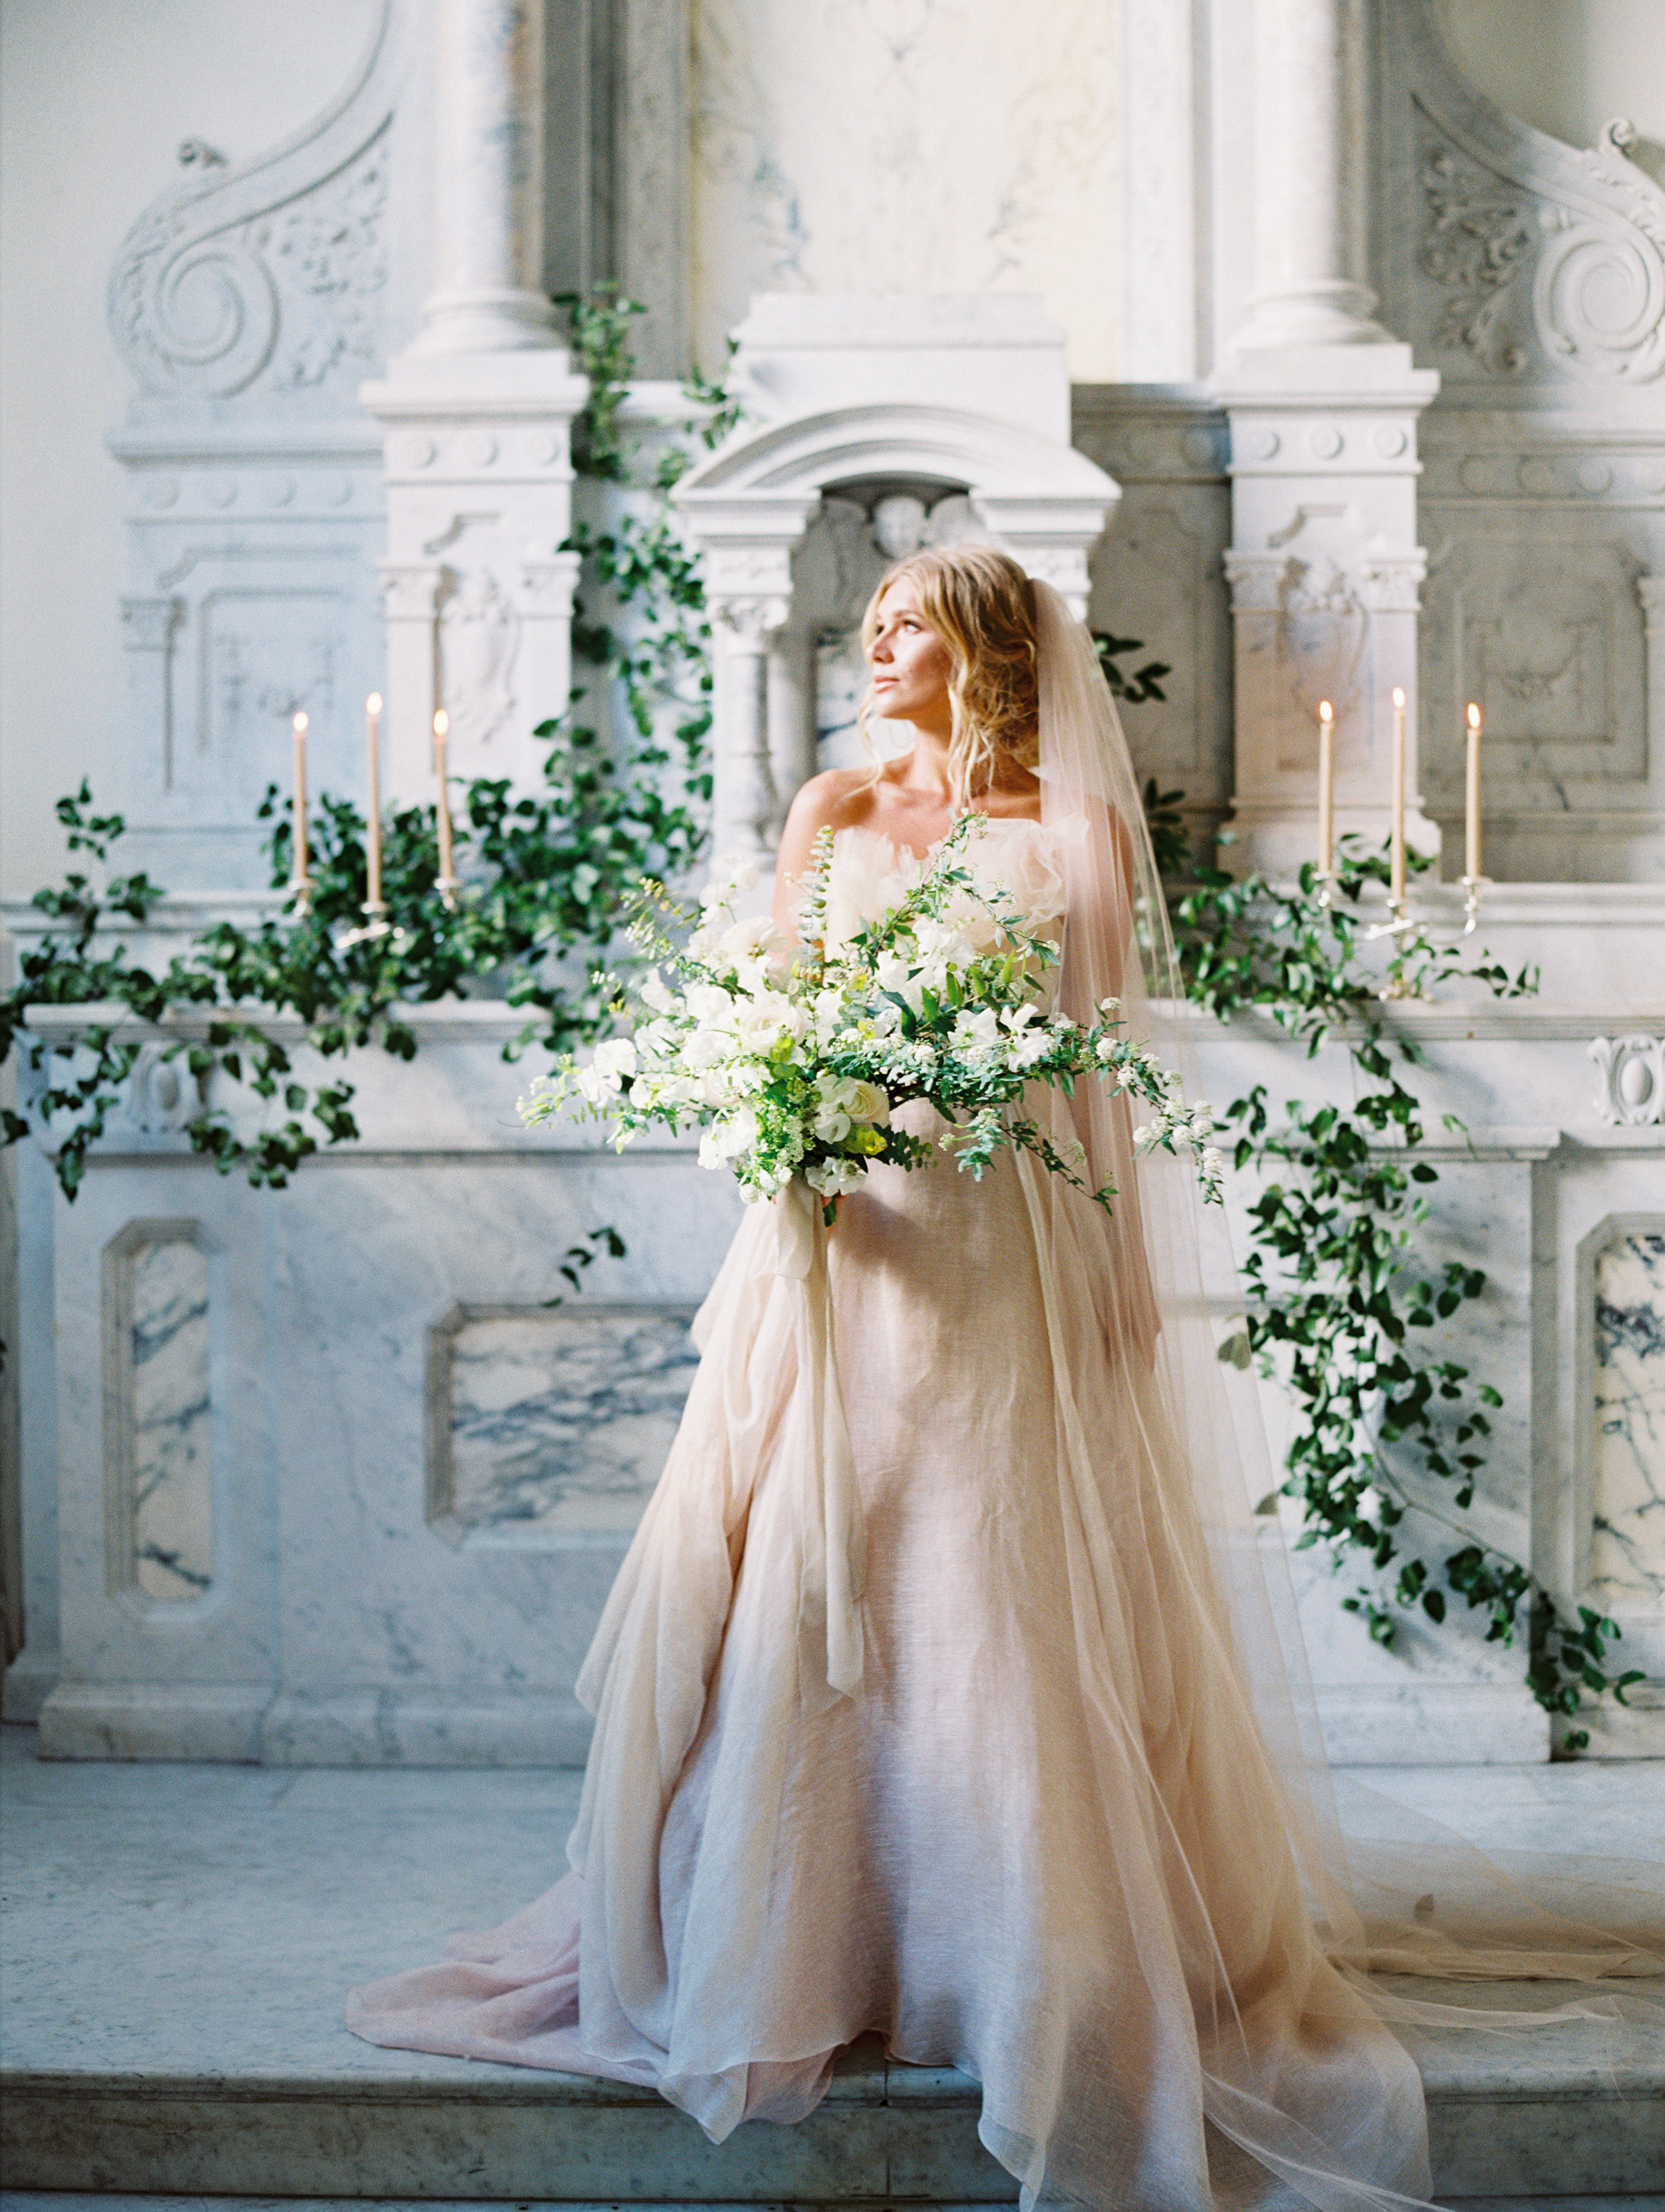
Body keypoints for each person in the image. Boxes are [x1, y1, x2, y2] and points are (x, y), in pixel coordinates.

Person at [348, 545, 1661, 2212]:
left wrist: (1114, 1292)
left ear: (985, 653)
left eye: (908, 622)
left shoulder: (1073, 834)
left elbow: (1098, 1085)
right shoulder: (827, 809)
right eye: (872, 617)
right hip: (840, 1245)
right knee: (824, 1566)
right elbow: (783, 1011)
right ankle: (797, 1947)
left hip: (1000, 1261)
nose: (875, 641)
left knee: (979, 1574)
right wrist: (781, 1135)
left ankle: (1010, 1955)